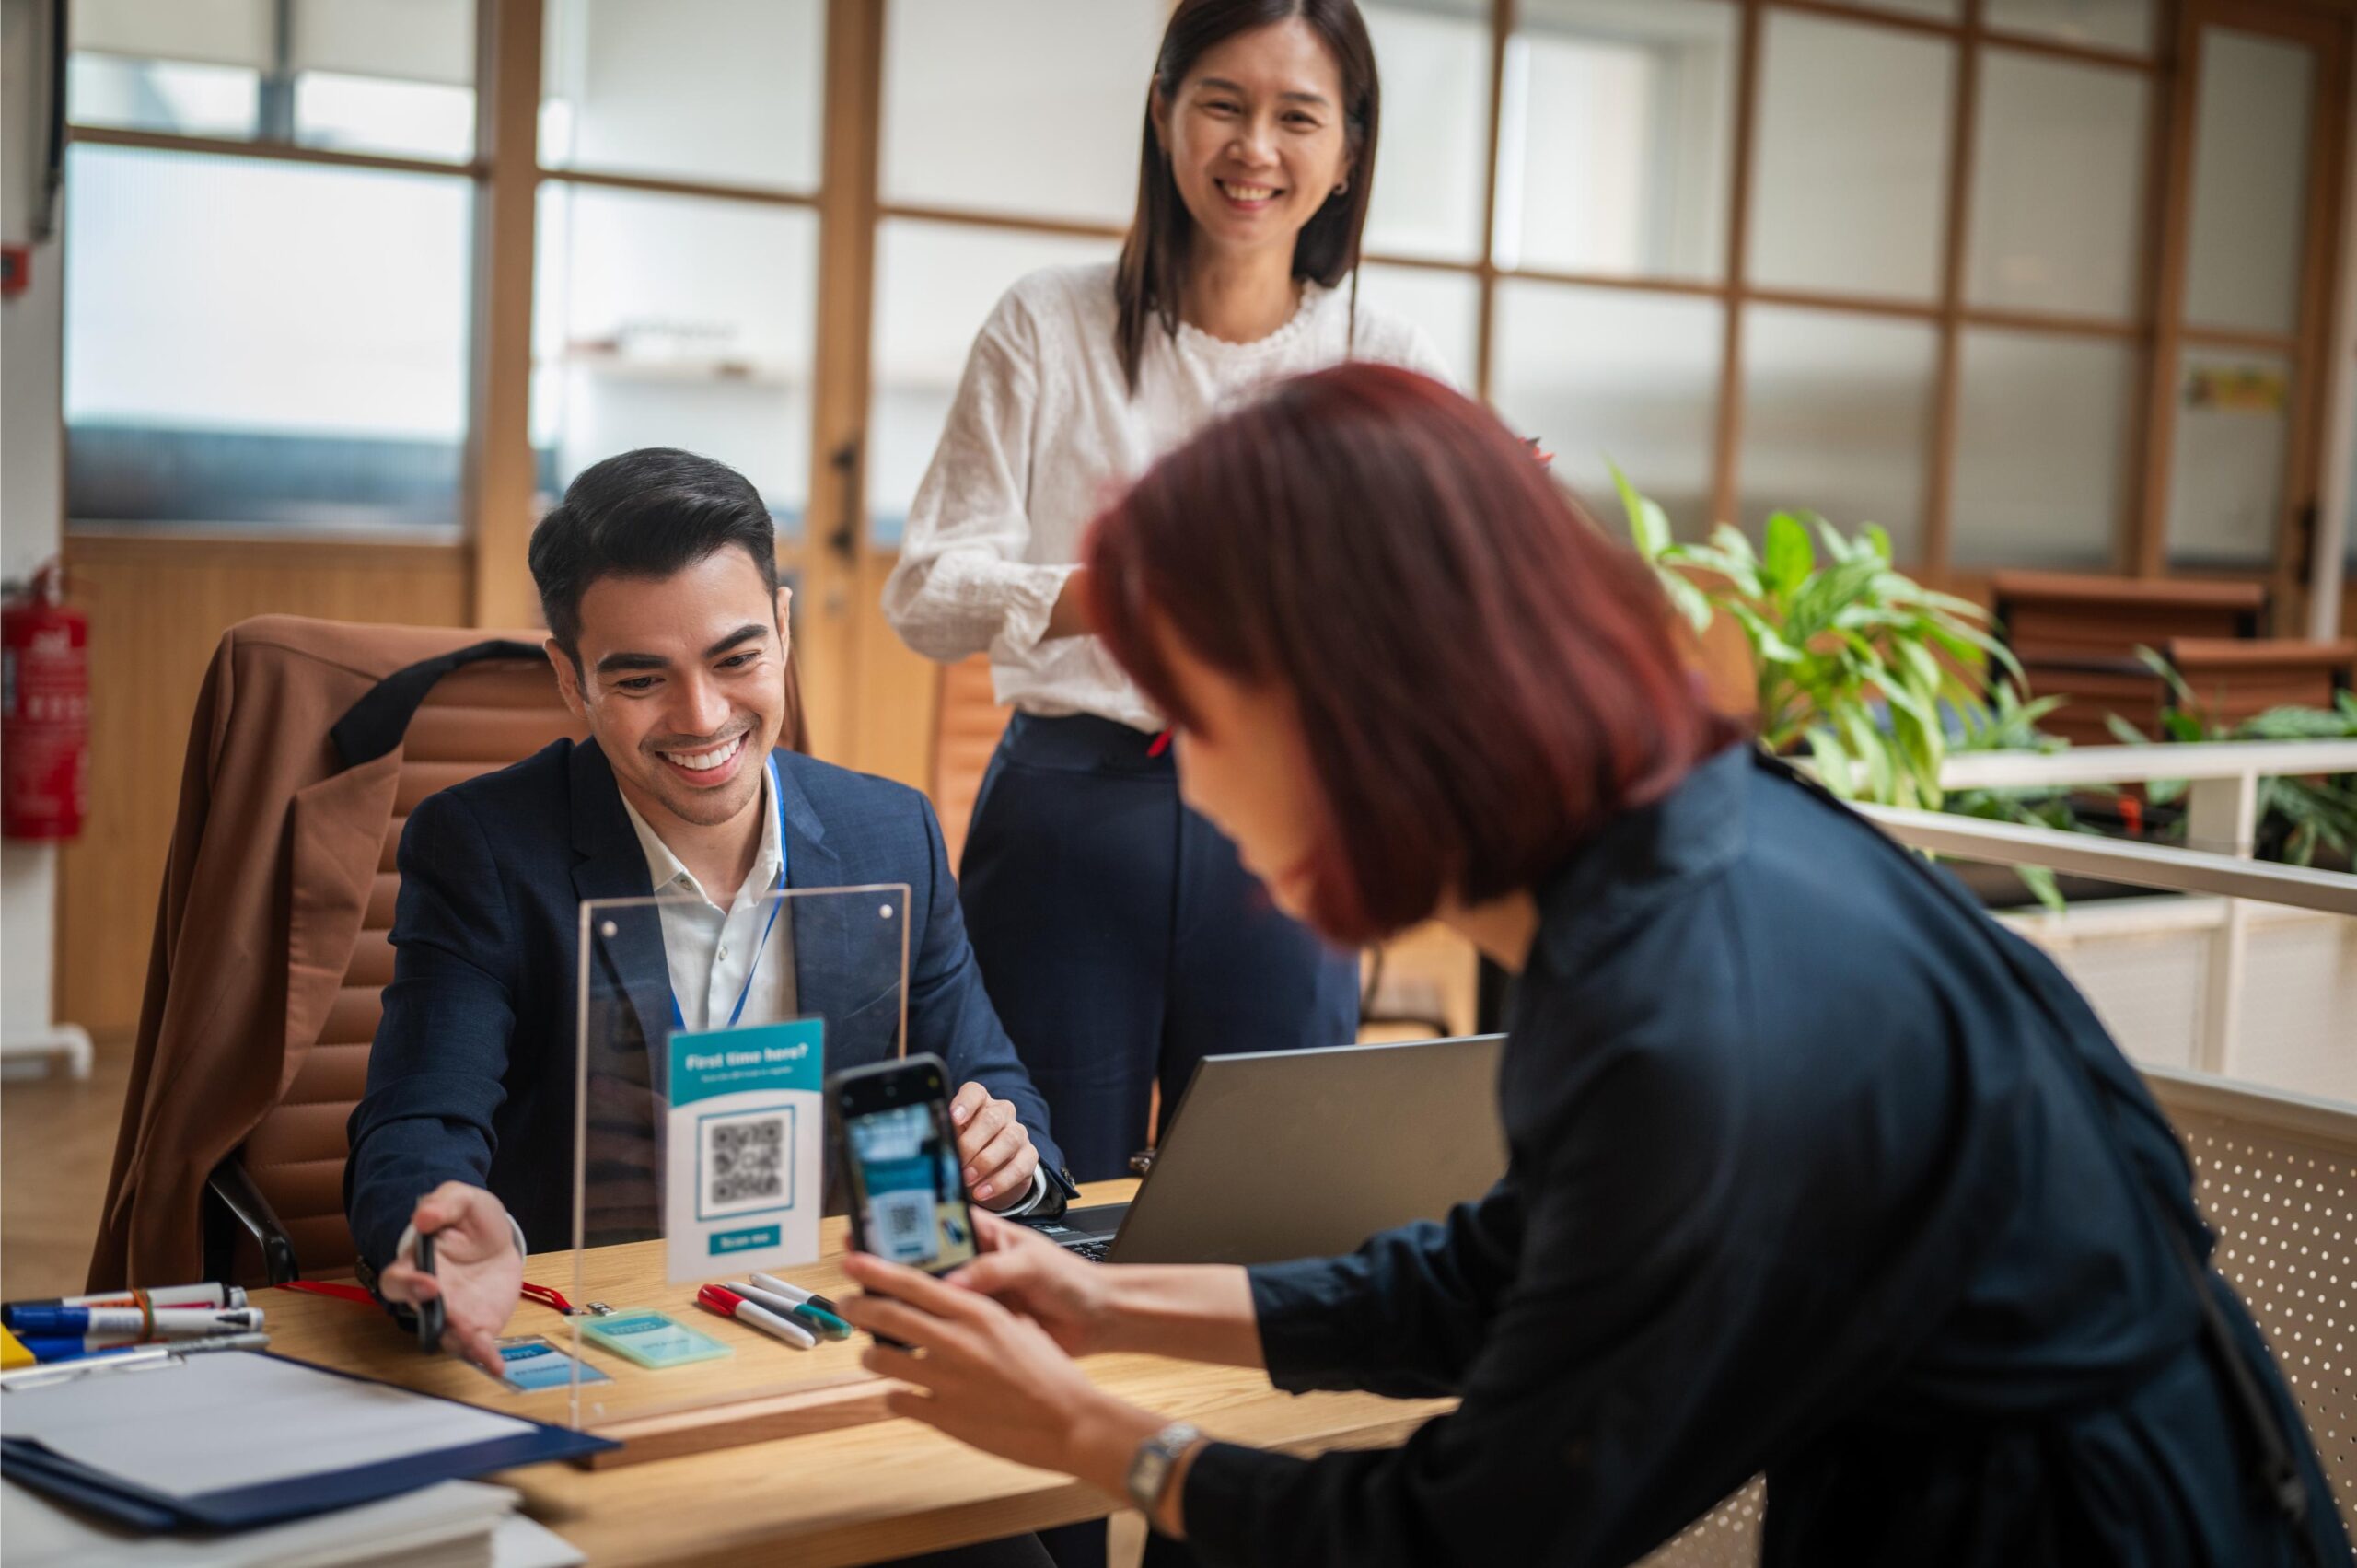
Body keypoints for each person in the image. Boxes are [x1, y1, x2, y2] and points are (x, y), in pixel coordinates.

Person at [833, 365, 2351, 1568]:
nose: (1194, 786)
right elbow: (1501, 1271)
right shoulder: (1667, 850)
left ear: (1366, 699)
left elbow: (1474, 1530)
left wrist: (1096, 1438)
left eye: (1202, 717)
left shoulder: (1697, 999)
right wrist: (1114, 1306)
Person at [344, 448, 1077, 1376]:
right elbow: (418, 1122)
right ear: (570, 680)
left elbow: (999, 1095)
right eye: (642, 679)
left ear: (782, 627)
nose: (701, 717)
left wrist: (1009, 1164)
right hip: (601, 1348)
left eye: (737, 657)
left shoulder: (890, 833)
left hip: (833, 1338)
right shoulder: (484, 849)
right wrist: (438, 1232)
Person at [882, 0, 1451, 1185]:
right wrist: (1130, 592)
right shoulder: (1047, 321)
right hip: (1069, 816)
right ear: (1163, 111)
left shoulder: (1386, 357)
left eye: (1298, 117)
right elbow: (924, 594)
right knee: (1032, 1185)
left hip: (1292, 819)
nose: (1256, 150)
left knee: (1272, 1199)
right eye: (1223, 106)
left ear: (1349, 148)